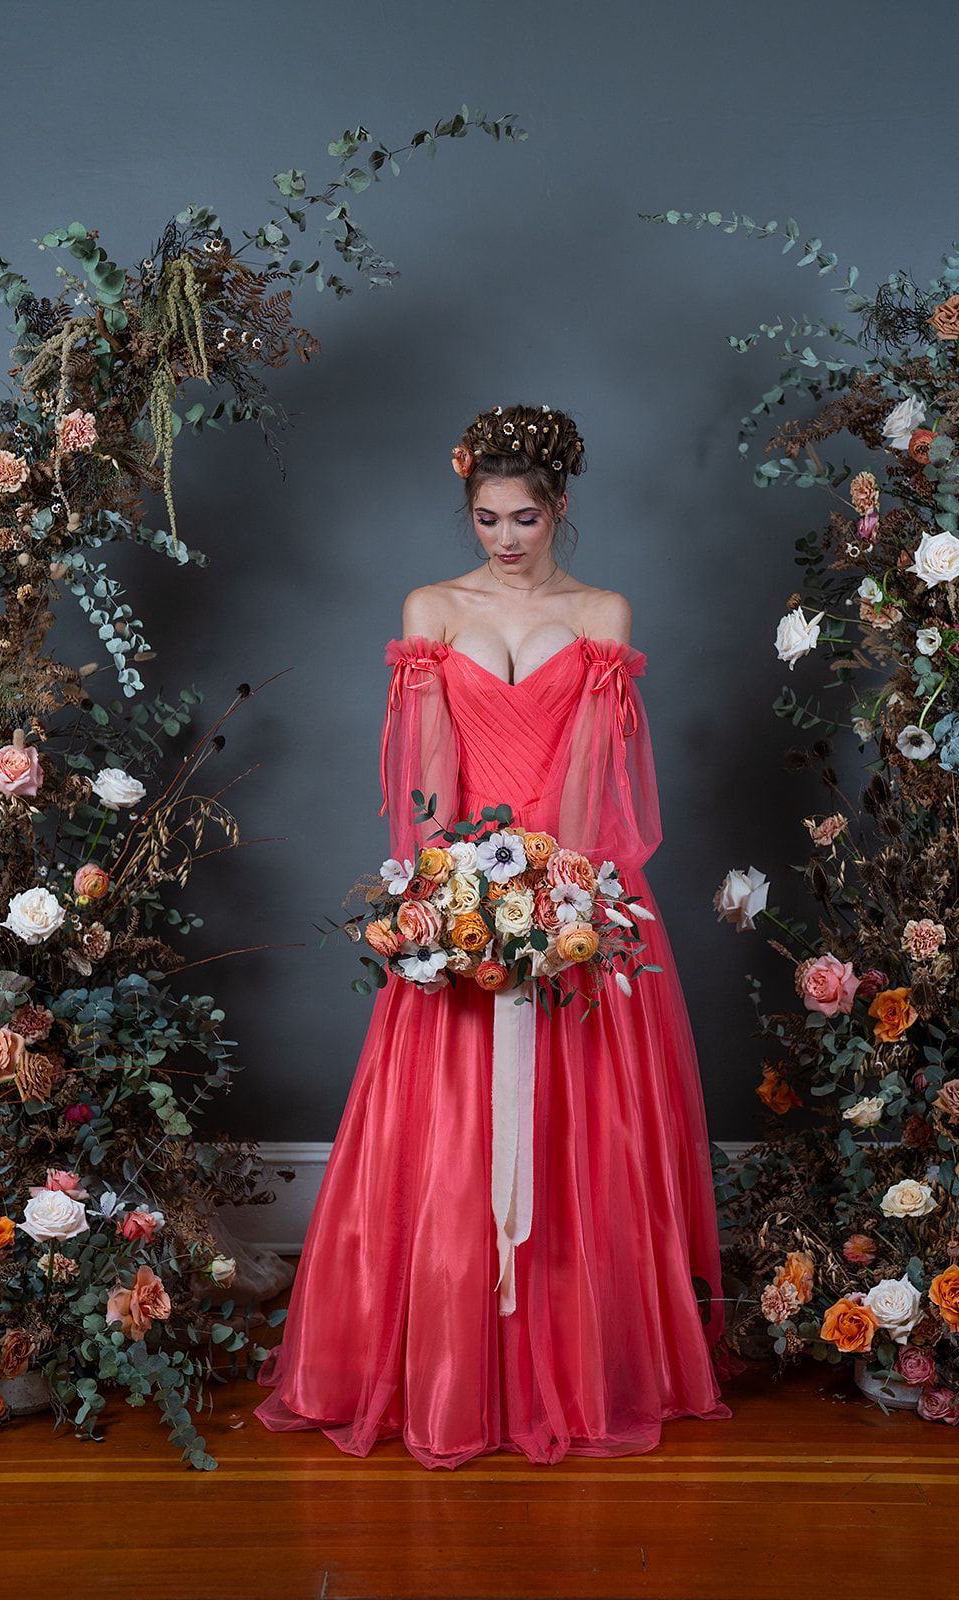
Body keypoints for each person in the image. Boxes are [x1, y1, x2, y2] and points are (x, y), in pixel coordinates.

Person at [253, 402, 732, 1467]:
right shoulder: (433, 605)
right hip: (460, 884)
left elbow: (596, 780)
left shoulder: (602, 614)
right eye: (486, 519)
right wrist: (442, 894)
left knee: (584, 1131)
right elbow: (426, 780)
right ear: (467, 512)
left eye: (524, 517)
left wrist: (561, 904)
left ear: (561, 508)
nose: (506, 539)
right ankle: (449, 1360)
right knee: (445, 1125)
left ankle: (577, 1362)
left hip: (568, 890)